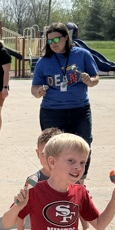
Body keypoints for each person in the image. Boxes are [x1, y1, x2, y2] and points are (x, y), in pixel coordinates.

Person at [31, 22, 99, 179]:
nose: (53, 44)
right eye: (49, 41)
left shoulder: (82, 55)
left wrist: (90, 80)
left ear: (66, 38)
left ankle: (79, 181)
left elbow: (95, 79)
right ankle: (55, 180)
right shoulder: (44, 62)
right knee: (53, 147)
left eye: (56, 40)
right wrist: (38, 92)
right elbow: (34, 88)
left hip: (79, 109)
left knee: (83, 145)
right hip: (52, 111)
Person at [15, 127, 95, 230]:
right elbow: (21, 210)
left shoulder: (72, 178)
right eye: (44, 153)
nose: (48, 158)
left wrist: (86, 228)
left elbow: (82, 207)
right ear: (38, 153)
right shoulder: (33, 181)